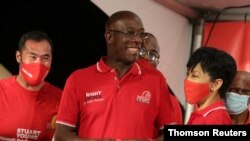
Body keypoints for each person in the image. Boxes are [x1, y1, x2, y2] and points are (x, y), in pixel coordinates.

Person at [55, 11, 174, 140]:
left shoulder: (156, 80)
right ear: (110, 37)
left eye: (141, 34)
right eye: (130, 33)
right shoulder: (77, 79)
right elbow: (61, 135)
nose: (138, 40)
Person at [0, 30, 62, 141]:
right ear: (19, 57)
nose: (38, 63)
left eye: (45, 58)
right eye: (33, 57)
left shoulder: (61, 99)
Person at [138, 33, 183, 124]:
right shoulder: (114, 87)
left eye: (153, 55)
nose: (146, 58)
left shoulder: (171, 102)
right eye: (141, 51)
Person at [184, 46, 237, 124]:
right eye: (187, 74)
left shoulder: (217, 120)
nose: (187, 80)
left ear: (215, 84)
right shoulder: (204, 115)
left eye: (194, 75)